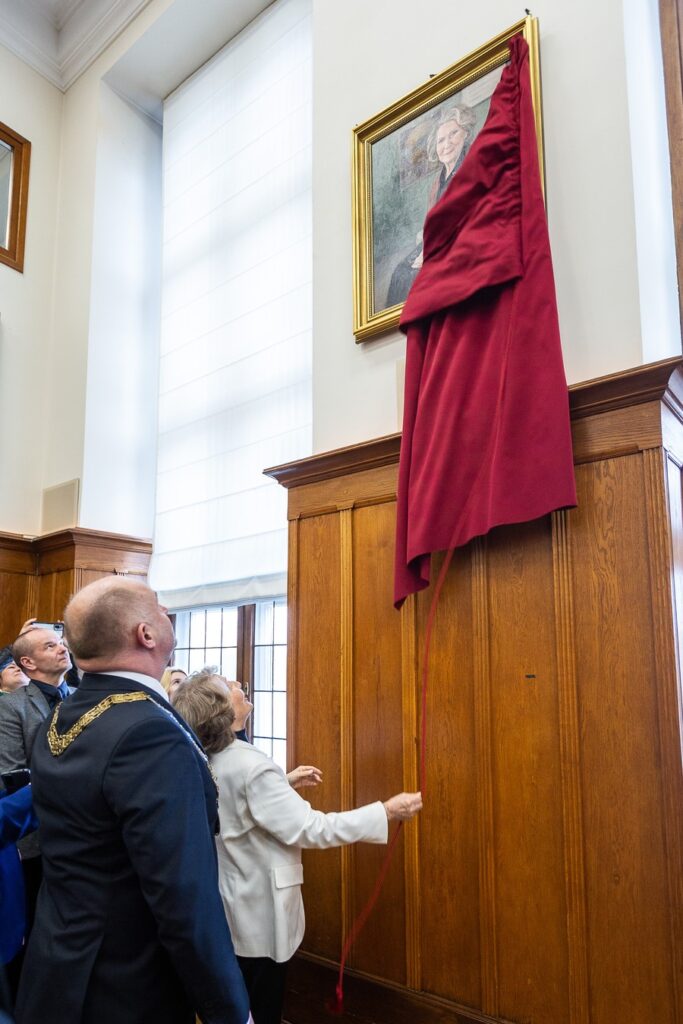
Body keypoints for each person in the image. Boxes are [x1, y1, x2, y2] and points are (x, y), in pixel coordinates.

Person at [15, 578, 251, 1024]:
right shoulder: (148, 731)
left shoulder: (64, 713)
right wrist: (230, 1010)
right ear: (145, 634)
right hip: (125, 988)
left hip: (56, 967)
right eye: (162, 609)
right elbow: (183, 895)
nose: (169, 615)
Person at [172, 670, 422, 1024]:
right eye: (231, 687)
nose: (240, 687)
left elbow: (236, 807)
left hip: (230, 904)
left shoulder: (206, 758)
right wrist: (385, 811)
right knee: (262, 1008)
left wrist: (282, 782)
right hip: (260, 915)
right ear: (222, 710)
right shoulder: (252, 765)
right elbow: (311, 828)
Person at [0, 628, 73, 938]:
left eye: (59, 643)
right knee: (35, 929)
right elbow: (12, 776)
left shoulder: (82, 699)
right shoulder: (11, 706)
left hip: (82, 833)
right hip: (35, 837)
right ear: (28, 662)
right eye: (50, 645)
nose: (61, 648)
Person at [386, 103, 477, 307]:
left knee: (413, 277)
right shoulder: (438, 181)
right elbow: (433, 220)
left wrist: (430, 251)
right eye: (441, 140)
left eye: (453, 134)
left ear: (466, 134)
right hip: (436, 239)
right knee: (399, 272)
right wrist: (425, 246)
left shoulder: (470, 168)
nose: (447, 144)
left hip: (460, 241)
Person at [224, 677, 321, 790]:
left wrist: (285, 780)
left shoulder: (238, 741)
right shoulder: (224, 753)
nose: (238, 684)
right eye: (229, 686)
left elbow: (249, 791)